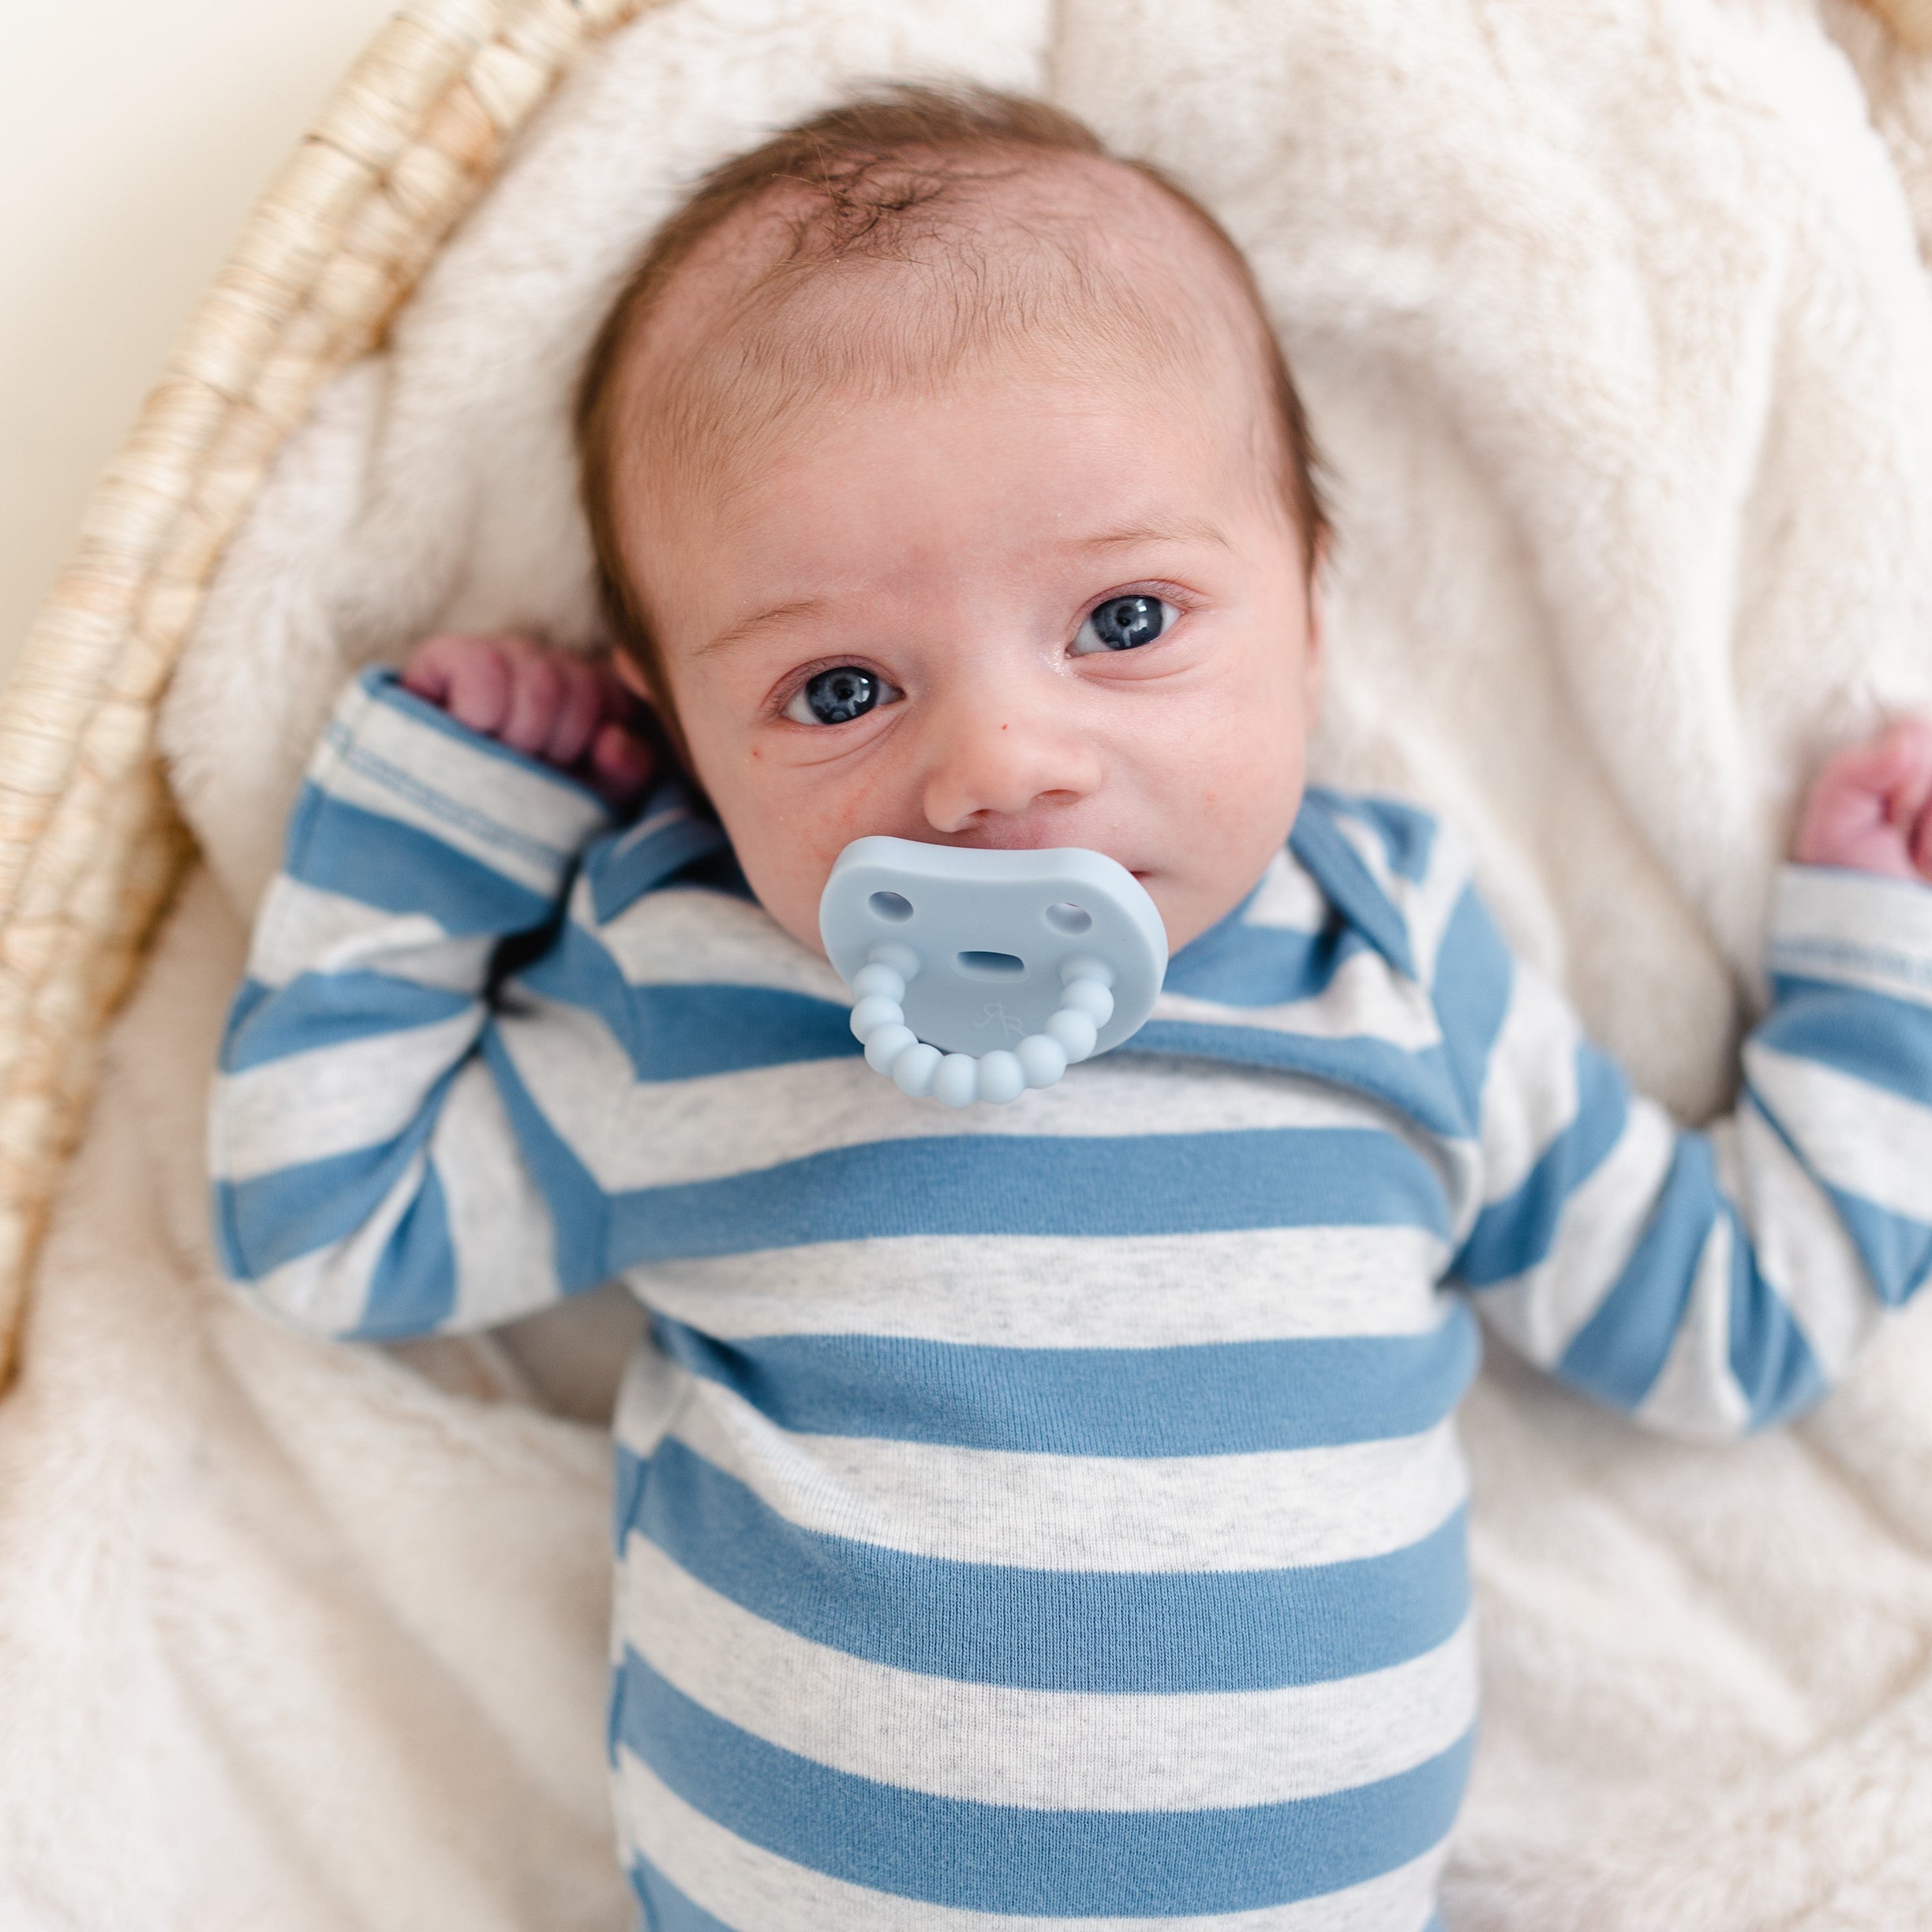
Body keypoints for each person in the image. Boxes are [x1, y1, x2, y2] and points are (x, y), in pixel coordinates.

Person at [209, 86, 1932, 1930]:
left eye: (1123, 624)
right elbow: (326, 1227)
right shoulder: (700, 979)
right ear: (684, 728)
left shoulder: (1390, 950)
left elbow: (1720, 1325)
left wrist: (1875, 971)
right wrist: (442, 827)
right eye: (843, 685)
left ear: (1310, 607)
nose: (997, 768)